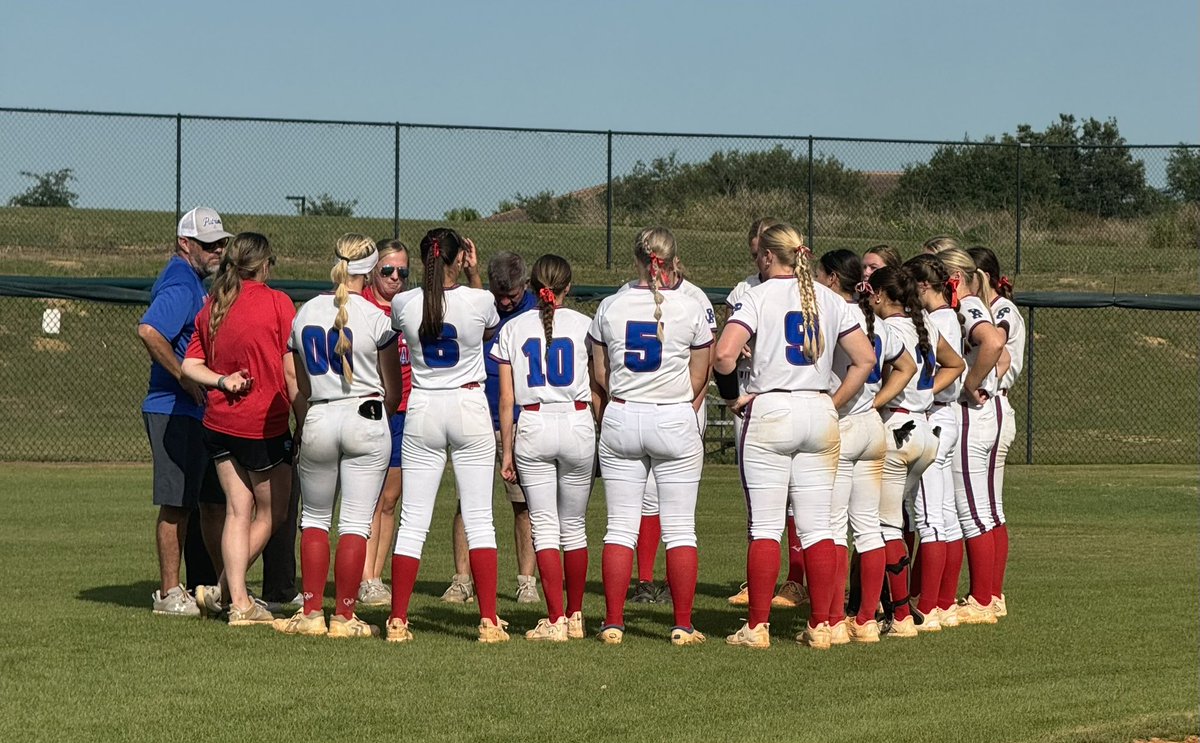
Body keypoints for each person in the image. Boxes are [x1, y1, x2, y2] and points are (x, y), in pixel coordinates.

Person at [715, 223, 876, 650]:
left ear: (768, 256)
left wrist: (732, 398)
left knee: (766, 527)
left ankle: (758, 627)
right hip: (818, 410)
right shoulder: (829, 297)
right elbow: (865, 359)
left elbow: (725, 353)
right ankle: (824, 624)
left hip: (771, 409)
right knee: (818, 527)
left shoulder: (756, 295)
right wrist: (834, 400)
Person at [274, 234, 404, 638]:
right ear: (369, 269)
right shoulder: (378, 318)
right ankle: (344, 617)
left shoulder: (306, 312)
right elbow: (394, 389)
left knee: (313, 519)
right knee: (354, 523)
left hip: (321, 415)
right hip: (366, 414)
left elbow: (299, 378)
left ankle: (312, 611)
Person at [589, 227, 712, 646]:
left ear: (637, 260)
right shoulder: (692, 307)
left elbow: (600, 372)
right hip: (673, 415)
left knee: (619, 527)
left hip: (623, 413)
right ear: (673, 260)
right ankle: (682, 623)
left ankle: (613, 622)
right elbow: (700, 376)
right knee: (681, 529)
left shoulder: (610, 305)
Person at [386, 228, 508, 643]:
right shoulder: (480, 299)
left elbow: (426, 311)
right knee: (480, 518)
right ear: (461, 258)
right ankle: (489, 620)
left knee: (413, 519)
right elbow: (486, 328)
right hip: (468, 405)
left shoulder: (404, 302)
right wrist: (474, 274)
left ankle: (398, 619)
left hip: (424, 405)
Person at [183, 232, 298, 626]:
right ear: (264, 264)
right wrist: (304, 415)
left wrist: (221, 381)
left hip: (218, 422)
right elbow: (290, 369)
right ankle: (235, 599)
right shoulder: (278, 303)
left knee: (238, 511)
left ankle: (231, 597)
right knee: (270, 514)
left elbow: (189, 366)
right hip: (262, 425)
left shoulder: (213, 305)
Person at [814, 249, 918, 644]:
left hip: (842, 425)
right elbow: (906, 366)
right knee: (870, 529)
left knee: (835, 528)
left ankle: (835, 619)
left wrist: (835, 402)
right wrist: (875, 401)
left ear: (832, 280)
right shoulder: (874, 320)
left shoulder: (833, 315)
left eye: (822, 275)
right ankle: (867, 620)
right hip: (872, 426)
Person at [494, 254, 598, 642]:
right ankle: (574, 615)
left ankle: (554, 619)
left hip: (534, 422)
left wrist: (506, 450)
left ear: (534, 286)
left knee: (545, 526)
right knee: (574, 527)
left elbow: (506, 399)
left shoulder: (514, 327)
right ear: (567, 287)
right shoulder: (586, 325)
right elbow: (600, 380)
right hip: (577, 420)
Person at [138, 206, 229, 616]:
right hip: (173, 409)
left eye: (222, 244)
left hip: (195, 412)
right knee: (177, 503)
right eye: (209, 245)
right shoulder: (179, 281)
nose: (218, 251)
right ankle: (169, 593)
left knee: (211, 501)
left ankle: (223, 587)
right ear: (184, 244)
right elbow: (149, 330)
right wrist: (183, 376)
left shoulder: (193, 281)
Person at [865, 264, 964, 638]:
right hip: (924, 425)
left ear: (879, 295)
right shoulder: (927, 324)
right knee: (907, 520)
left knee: (884, 525)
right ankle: (900, 605)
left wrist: (877, 402)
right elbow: (957, 363)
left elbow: (897, 372)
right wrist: (927, 393)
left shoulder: (889, 328)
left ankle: (901, 613)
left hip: (897, 425)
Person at [442, 252, 541, 605]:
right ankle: (461, 580)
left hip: (519, 422)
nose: (503, 301)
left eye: (510, 295)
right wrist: (472, 274)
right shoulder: (485, 306)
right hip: (479, 418)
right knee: (467, 501)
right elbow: (476, 304)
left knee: (524, 505)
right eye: (499, 294)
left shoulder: (536, 314)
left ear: (525, 286)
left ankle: (526, 581)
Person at [620, 247, 717, 606]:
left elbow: (705, 361)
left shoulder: (691, 296)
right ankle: (647, 580)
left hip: (670, 407)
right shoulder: (628, 295)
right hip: (664, 408)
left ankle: (670, 582)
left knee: (670, 503)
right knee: (652, 500)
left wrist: (689, 404)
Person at [725, 217, 809, 610]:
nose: (759, 257)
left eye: (764, 251)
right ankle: (762, 582)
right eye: (754, 250)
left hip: (768, 399)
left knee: (793, 503)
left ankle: (794, 580)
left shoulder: (799, 291)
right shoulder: (746, 288)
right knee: (759, 500)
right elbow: (729, 338)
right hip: (761, 397)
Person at [925, 246, 1006, 624]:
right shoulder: (972, 304)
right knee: (978, 511)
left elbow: (994, 344)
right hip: (980, 412)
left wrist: (971, 384)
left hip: (970, 413)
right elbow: (1001, 356)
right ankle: (985, 597)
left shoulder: (968, 304)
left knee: (970, 512)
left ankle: (982, 599)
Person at [906, 253, 966, 630]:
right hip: (948, 416)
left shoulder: (936, 318)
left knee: (930, 518)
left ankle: (928, 607)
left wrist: (925, 392)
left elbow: (952, 365)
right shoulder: (947, 315)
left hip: (936, 416)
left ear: (923, 285)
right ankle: (942, 602)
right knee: (944, 516)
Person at [968, 245, 1023, 617]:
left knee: (982, 510)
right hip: (994, 404)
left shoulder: (999, 308)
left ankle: (985, 597)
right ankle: (992, 595)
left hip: (990, 403)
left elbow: (999, 351)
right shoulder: (993, 307)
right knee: (991, 509)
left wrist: (979, 383)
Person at [357, 239, 413, 607]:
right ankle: (364, 577)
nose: (395, 278)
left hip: (406, 411)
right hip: (372, 410)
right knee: (370, 501)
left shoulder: (408, 308)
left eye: (402, 272)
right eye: (387, 270)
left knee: (391, 500)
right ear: (373, 271)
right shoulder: (360, 306)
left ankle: (376, 576)